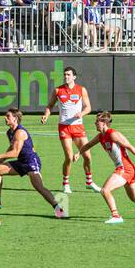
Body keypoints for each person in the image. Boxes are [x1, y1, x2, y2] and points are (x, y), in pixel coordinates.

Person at [78, 111, 135, 225]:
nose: (95, 123)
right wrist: (78, 153)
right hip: (127, 169)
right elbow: (88, 145)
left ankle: (116, 216)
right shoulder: (101, 136)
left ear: (104, 123)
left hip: (125, 169)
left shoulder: (113, 134)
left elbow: (130, 146)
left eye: (97, 121)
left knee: (105, 190)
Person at [0, 108, 66, 218]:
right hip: (21, 162)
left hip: (31, 162)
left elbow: (15, 152)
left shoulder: (20, 132)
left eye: (8, 116)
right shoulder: (9, 132)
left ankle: (58, 209)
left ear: (15, 118)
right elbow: (12, 147)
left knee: (39, 187)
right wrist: (1, 160)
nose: (5, 118)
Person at [39, 65, 97, 195]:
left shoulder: (81, 90)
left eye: (69, 75)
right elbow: (49, 106)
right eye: (65, 75)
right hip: (64, 127)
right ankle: (65, 184)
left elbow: (88, 107)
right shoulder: (58, 90)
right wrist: (46, 115)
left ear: (74, 77)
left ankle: (89, 182)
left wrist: (81, 114)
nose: (66, 77)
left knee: (87, 156)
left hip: (78, 126)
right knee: (69, 157)